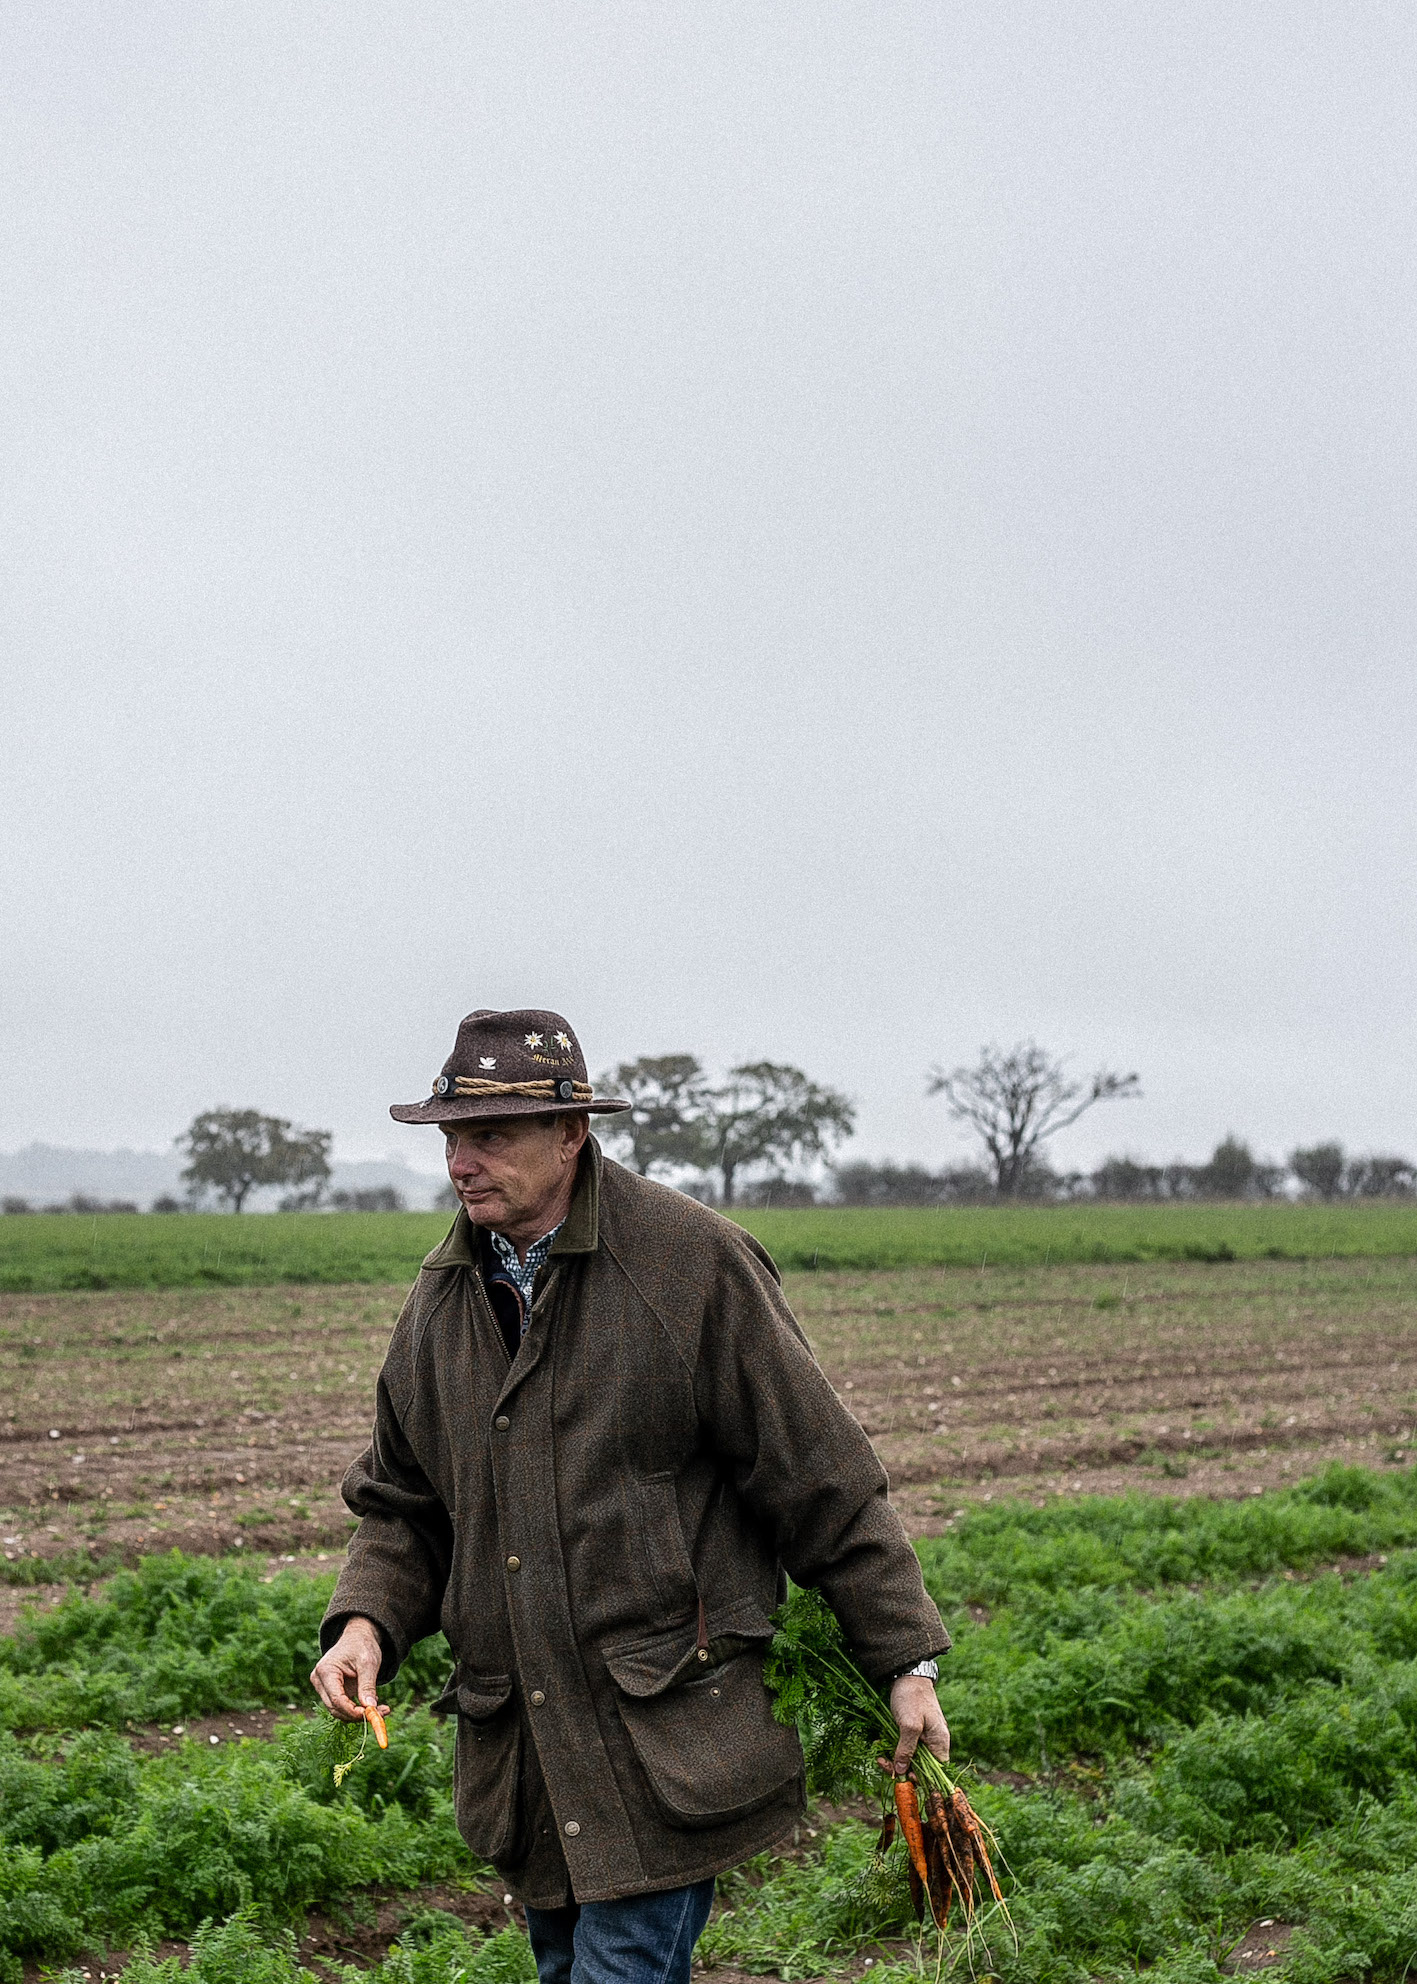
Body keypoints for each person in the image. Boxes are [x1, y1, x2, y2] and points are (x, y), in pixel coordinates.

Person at [311, 1008, 951, 1984]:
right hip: (526, 1753)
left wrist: (904, 1655)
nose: (460, 1162)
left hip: (660, 1736)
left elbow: (818, 1474)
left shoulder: (690, 1265)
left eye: (490, 1135)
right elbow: (404, 1502)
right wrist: (365, 1623)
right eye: (450, 1136)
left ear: (570, 1134)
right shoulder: (440, 1301)